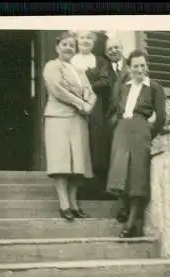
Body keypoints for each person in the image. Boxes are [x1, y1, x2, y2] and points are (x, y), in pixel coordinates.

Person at [107, 49, 167, 238]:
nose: (139, 69)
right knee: (121, 170)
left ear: (146, 66)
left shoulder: (155, 87)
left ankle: (132, 223)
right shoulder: (124, 87)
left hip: (141, 131)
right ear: (129, 68)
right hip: (122, 131)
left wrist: (148, 133)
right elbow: (115, 109)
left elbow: (161, 118)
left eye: (142, 65)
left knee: (137, 175)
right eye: (135, 66)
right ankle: (124, 208)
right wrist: (116, 125)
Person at [42, 31, 97, 222]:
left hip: (79, 120)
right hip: (58, 117)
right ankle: (64, 204)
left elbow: (90, 92)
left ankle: (74, 204)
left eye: (72, 45)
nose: (68, 48)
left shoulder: (79, 71)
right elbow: (57, 89)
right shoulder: (52, 66)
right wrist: (80, 103)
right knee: (62, 162)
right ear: (57, 47)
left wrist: (89, 104)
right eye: (64, 44)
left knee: (77, 164)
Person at [71, 31, 112, 197]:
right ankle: (76, 189)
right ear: (77, 41)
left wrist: (84, 86)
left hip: (96, 108)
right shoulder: (70, 61)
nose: (85, 41)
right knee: (77, 144)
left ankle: (95, 190)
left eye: (89, 38)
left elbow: (105, 82)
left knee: (96, 144)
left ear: (93, 42)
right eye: (82, 37)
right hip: (74, 107)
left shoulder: (100, 61)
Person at [104, 36, 133, 223]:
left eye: (116, 47)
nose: (113, 51)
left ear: (122, 48)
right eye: (110, 49)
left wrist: (119, 116)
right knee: (118, 164)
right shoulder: (107, 68)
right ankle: (122, 205)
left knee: (126, 164)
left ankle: (126, 208)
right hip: (114, 122)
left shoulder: (129, 69)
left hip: (127, 121)